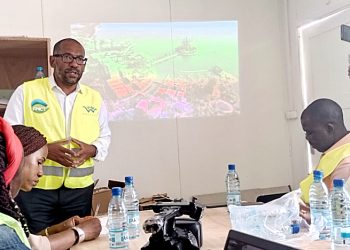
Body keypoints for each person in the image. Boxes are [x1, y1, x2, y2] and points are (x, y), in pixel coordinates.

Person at [4, 38, 111, 233]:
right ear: (53, 61)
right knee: (36, 240)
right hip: (35, 190)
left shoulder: (94, 98)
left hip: (79, 191)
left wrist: (92, 149)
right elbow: (9, 136)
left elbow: (105, 137)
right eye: (68, 57)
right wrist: (45, 150)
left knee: (77, 239)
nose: (74, 64)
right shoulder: (27, 91)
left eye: (80, 59)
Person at [0, 118, 101, 250]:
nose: (41, 172)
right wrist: (81, 232)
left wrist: (58, 229)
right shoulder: (4, 233)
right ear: (15, 160)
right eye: (39, 162)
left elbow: (27, 243)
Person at [298, 98, 350, 218]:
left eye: (310, 133)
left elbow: (338, 215)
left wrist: (300, 214)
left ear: (329, 129)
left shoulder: (346, 160)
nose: (307, 138)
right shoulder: (335, 152)